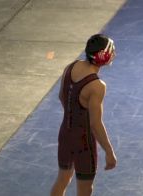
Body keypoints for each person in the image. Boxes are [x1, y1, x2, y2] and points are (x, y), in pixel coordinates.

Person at [50, 34, 117, 196]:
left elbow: (61, 96)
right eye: (112, 51)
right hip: (83, 142)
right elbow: (95, 124)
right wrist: (109, 151)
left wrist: (74, 114)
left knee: (62, 180)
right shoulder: (97, 86)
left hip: (65, 133)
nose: (114, 53)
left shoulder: (71, 67)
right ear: (103, 56)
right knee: (85, 190)